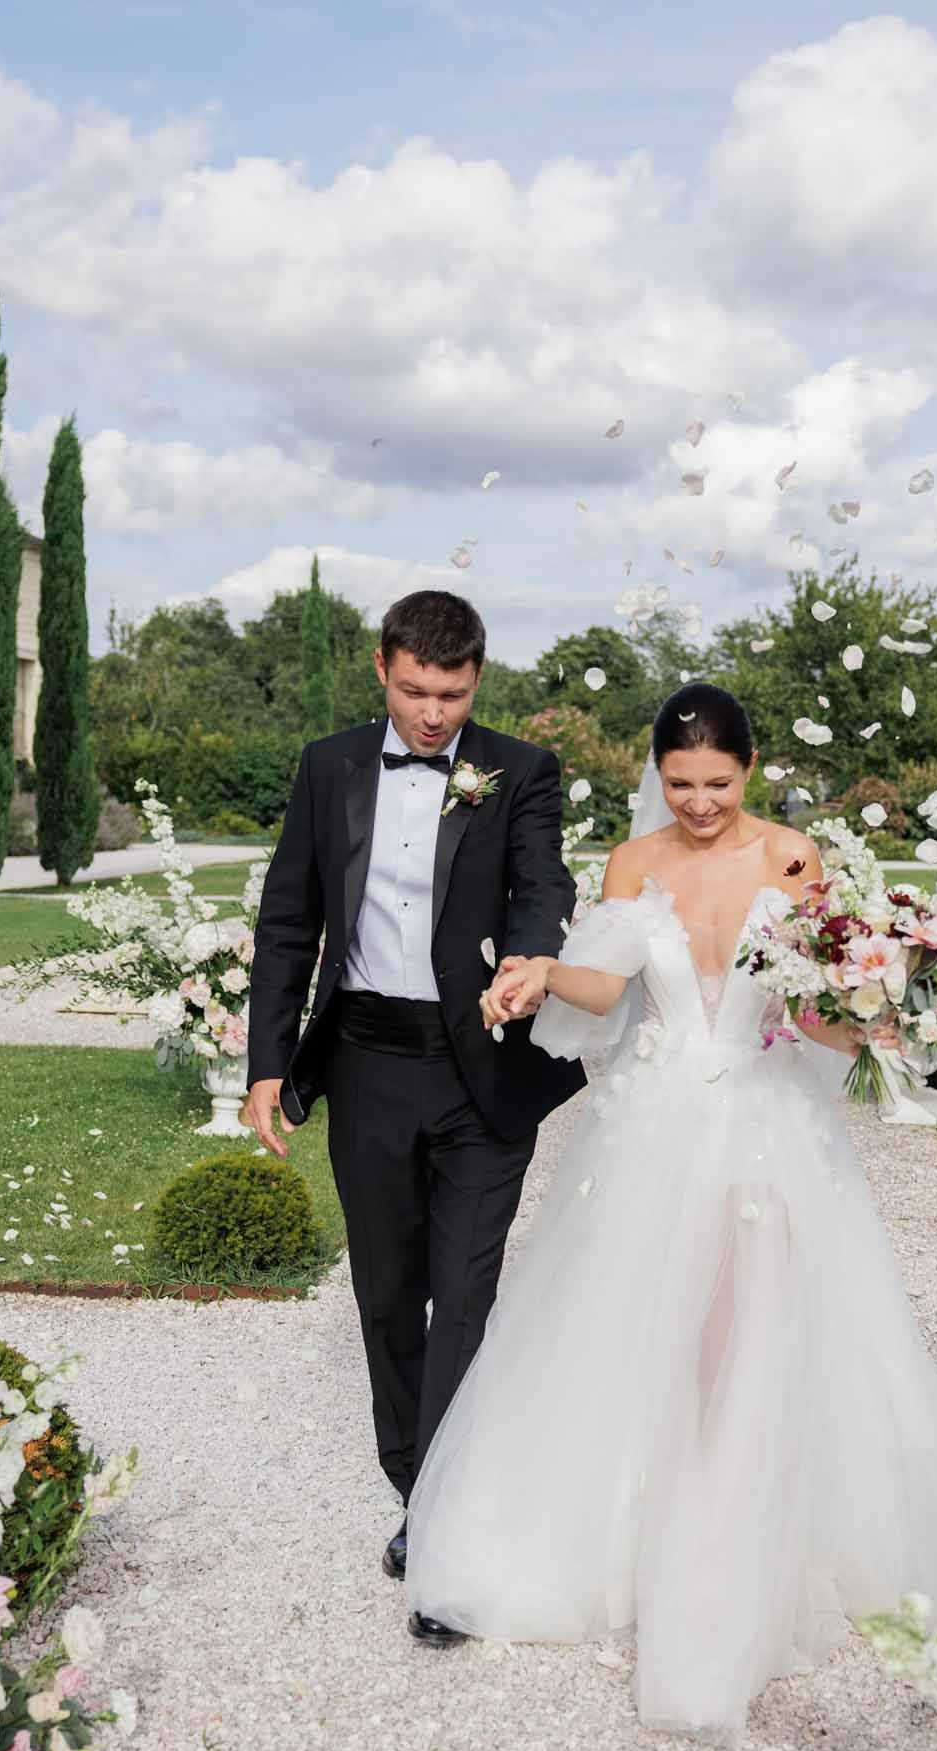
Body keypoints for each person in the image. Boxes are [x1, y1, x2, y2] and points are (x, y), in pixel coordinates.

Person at [404, 680, 937, 1741]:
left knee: (742, 1338)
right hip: (652, 1123)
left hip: (764, 1121)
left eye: (716, 783)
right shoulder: (633, 865)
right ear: (655, 773)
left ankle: (732, 1551)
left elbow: (813, 1015)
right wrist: (543, 967)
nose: (695, 801)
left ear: (750, 768)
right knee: (636, 1332)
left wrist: (873, 1007)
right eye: (678, 782)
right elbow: (606, 990)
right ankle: (636, 1540)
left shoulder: (791, 859)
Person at [245, 589, 583, 1644]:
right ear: (380, 671)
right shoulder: (328, 764)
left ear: (476, 678)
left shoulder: (522, 770)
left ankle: (442, 1525)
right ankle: (412, 1475)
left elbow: (541, 887)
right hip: (367, 1062)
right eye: (413, 691)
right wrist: (267, 1065)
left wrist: (531, 962)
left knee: (465, 1294)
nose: (433, 714)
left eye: (452, 693)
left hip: (482, 1070)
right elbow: (289, 918)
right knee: (388, 1293)